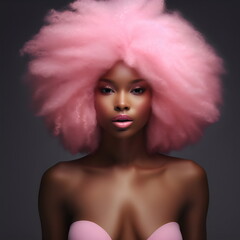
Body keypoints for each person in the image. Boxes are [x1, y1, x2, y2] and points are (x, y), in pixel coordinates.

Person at [21, 0, 224, 239]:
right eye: (107, 90)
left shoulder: (187, 178)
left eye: (137, 90)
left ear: (161, 96)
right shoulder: (61, 182)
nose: (121, 103)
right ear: (83, 96)